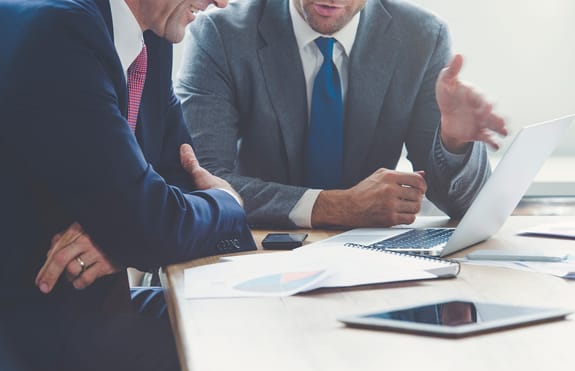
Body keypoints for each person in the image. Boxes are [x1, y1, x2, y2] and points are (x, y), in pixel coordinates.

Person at [0, 0, 257, 371]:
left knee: (250, 320)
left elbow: (176, 180)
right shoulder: (62, 32)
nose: (223, 2)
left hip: (101, 308)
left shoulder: (149, 37)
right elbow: (153, 220)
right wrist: (229, 203)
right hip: (36, 324)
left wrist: (125, 230)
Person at [175, 0, 508, 229]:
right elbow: (202, 182)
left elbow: (466, 210)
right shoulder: (220, 35)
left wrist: (453, 142)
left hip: (369, 267)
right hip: (256, 254)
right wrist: (336, 206)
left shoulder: (421, 36)